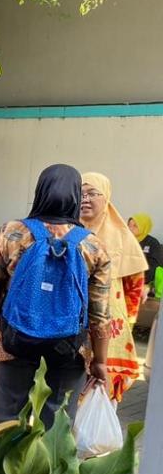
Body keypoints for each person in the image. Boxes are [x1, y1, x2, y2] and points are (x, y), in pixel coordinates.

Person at [0, 165, 112, 427]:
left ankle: (8, 454)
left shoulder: (11, 233)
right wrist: (100, 361)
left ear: (40, 192)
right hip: (69, 349)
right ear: (75, 196)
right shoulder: (93, 245)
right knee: (57, 425)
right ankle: (48, 455)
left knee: (7, 421)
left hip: (13, 342)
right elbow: (100, 313)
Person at [80, 172, 148, 402]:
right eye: (80, 194)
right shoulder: (65, 230)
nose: (85, 199)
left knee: (101, 396)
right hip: (70, 324)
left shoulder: (123, 237)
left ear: (106, 197)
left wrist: (128, 321)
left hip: (111, 328)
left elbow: (134, 284)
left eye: (92, 193)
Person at [128, 214, 163, 297]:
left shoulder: (152, 243)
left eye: (135, 226)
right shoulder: (125, 241)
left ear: (143, 227)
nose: (130, 228)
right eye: (129, 225)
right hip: (126, 280)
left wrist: (142, 281)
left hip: (145, 282)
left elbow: (154, 266)